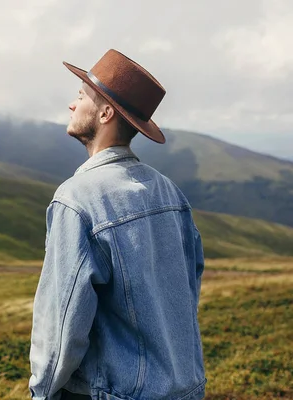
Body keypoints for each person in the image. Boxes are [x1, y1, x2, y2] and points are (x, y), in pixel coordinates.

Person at [28, 49, 206, 400]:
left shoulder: (76, 199)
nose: (71, 104)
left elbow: (62, 326)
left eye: (81, 96)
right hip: (185, 389)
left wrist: (41, 391)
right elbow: (188, 288)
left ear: (106, 113)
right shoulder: (170, 192)